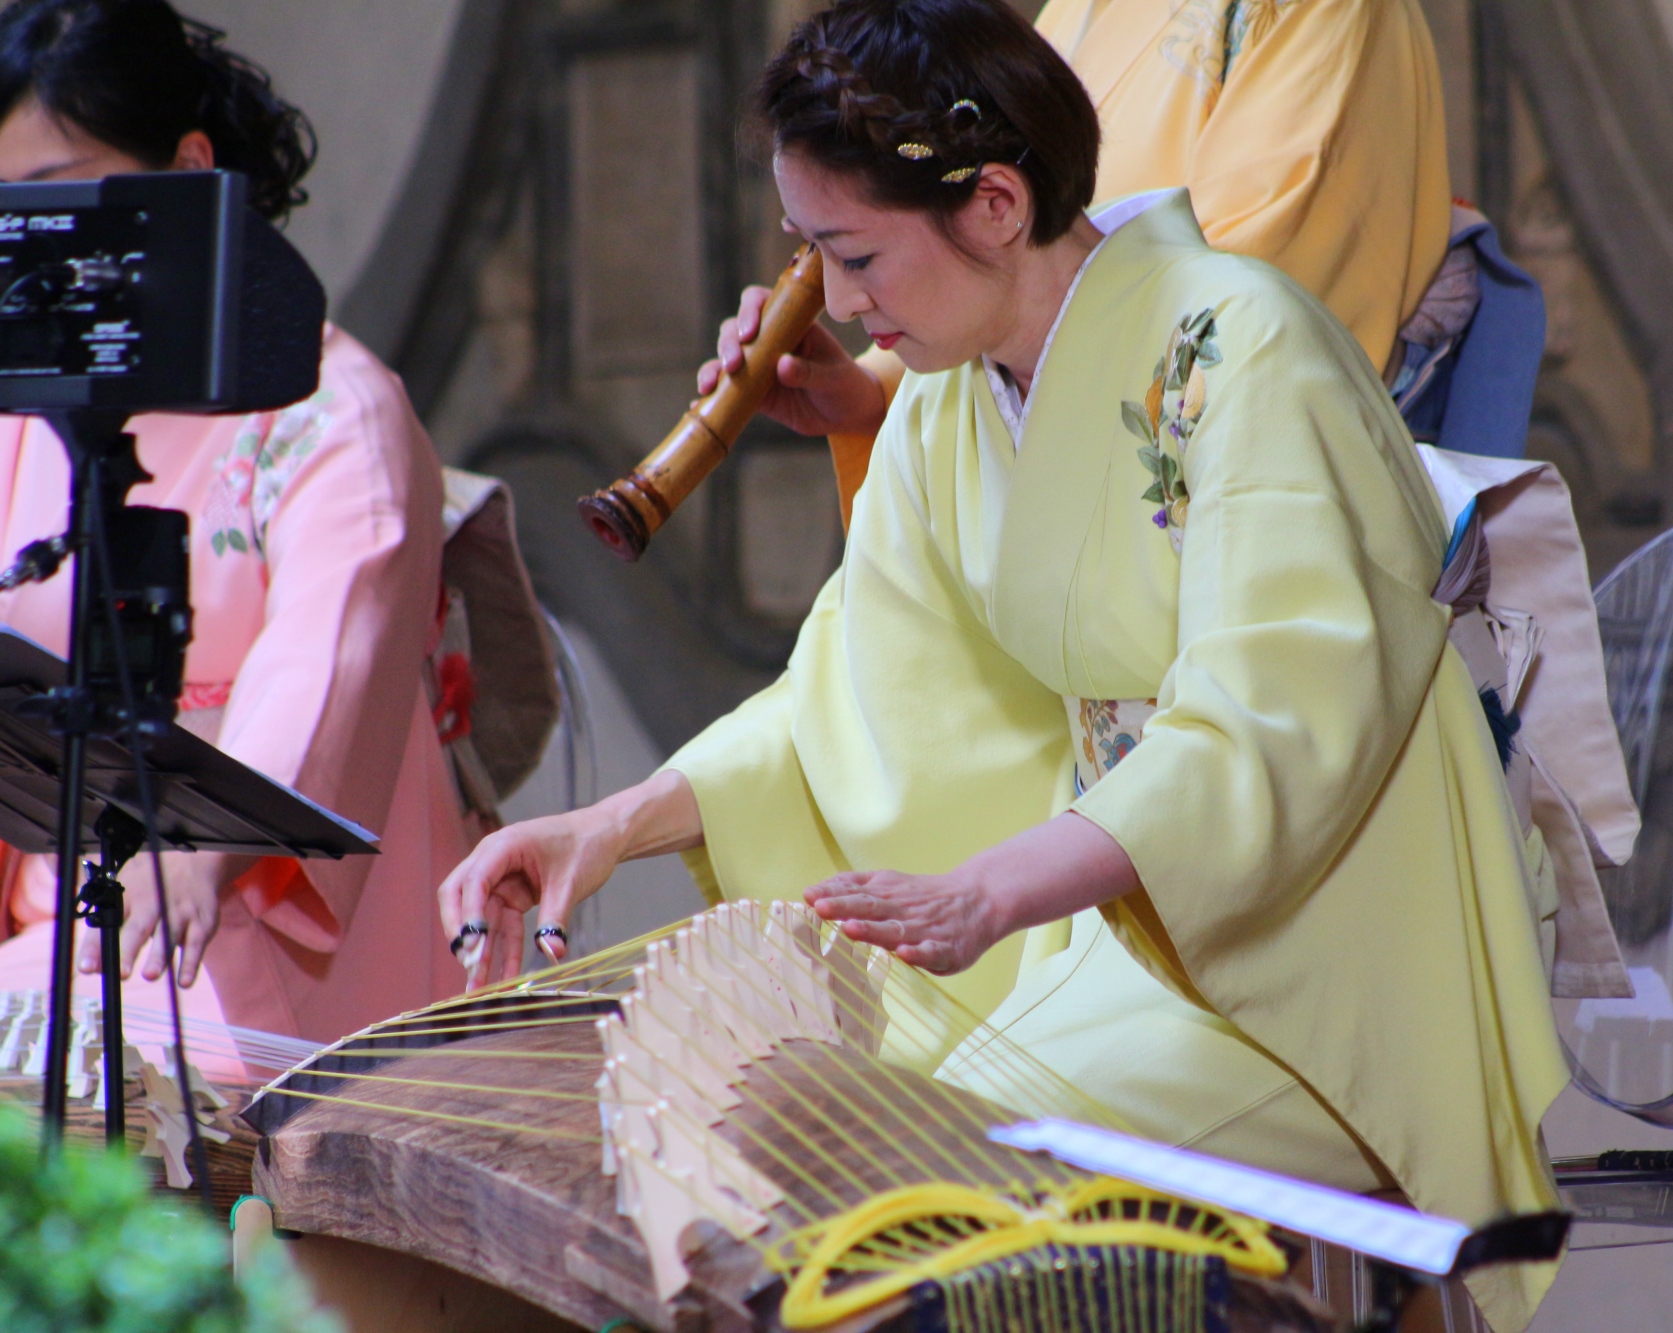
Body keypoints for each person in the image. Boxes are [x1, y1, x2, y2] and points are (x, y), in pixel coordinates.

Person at [440, 1, 1566, 1328]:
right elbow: (852, 693)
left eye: (856, 256)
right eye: (813, 254)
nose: (841, 306)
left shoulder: (1242, 341)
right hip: (1114, 920)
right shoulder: (948, 395)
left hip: (1328, 942)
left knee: (934, 1178)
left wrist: (989, 892)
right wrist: (605, 824)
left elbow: (1277, 718)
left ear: (992, 203)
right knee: (839, 1157)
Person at [0, 0, 467, 1063]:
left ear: (188, 167)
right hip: (59, 903)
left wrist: (202, 849)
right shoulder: (20, 408)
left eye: (63, 199)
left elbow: (327, 658)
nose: (38, 247)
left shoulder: (329, 405)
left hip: (264, 903)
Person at [805, 0, 1455, 520]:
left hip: (1219, 470)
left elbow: (1240, 316)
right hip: (1065, 415)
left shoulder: (1322, 10)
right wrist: (877, 390)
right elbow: (999, 257)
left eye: (856, 260)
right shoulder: (1081, 9)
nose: (840, 299)